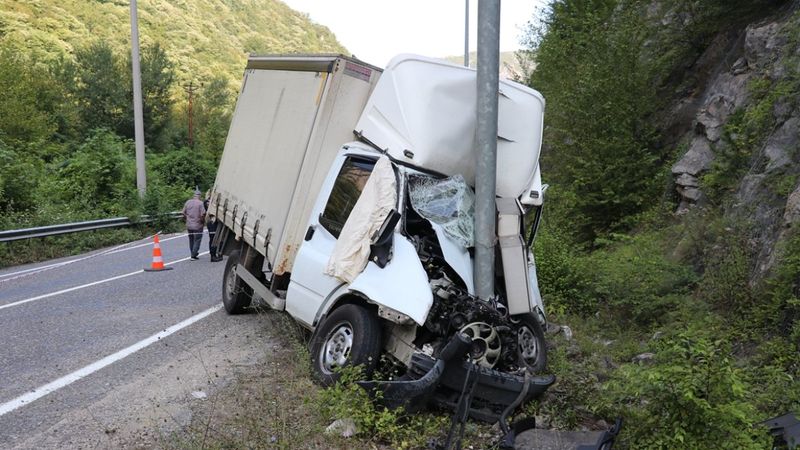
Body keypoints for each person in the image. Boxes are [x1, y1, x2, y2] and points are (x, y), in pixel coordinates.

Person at [181, 189, 206, 260]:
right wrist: (202, 221)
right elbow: (203, 214)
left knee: (191, 239)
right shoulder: (200, 203)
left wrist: (187, 218)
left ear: (193, 196)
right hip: (198, 225)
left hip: (189, 224)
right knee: (197, 239)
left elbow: (183, 212)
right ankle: (193, 254)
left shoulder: (188, 202)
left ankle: (192, 253)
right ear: (199, 196)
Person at [204, 192, 222, 262]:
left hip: (213, 222)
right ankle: (213, 255)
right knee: (213, 239)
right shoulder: (208, 202)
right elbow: (210, 211)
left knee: (216, 239)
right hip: (212, 222)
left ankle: (215, 254)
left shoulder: (210, 202)